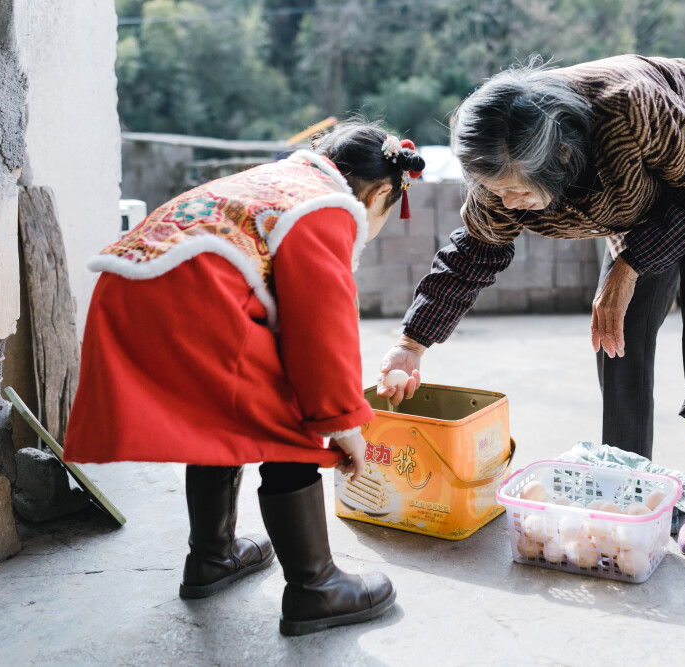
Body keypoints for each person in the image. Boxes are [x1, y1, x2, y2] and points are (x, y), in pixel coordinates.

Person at [377, 55, 685, 559]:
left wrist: (627, 265)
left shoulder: (629, 110)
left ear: (564, 157)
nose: (505, 204)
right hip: (648, 180)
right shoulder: (499, 170)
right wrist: (410, 344)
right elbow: (474, 251)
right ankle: (627, 472)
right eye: (494, 190)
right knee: (621, 323)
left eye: (516, 190)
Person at [63, 122, 425, 634]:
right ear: (382, 191)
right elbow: (321, 330)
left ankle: (212, 556)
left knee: (218, 416)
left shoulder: (280, 179)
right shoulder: (327, 205)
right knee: (292, 411)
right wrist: (344, 422)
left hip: (131, 287)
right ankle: (315, 587)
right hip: (189, 296)